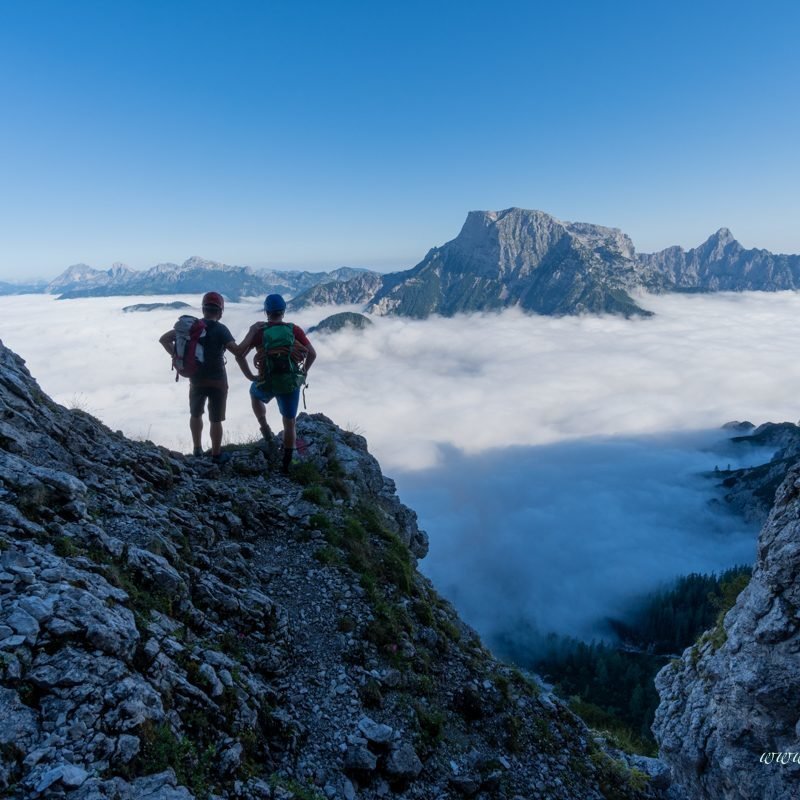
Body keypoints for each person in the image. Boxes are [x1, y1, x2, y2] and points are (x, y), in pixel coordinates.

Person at [235, 294, 316, 473]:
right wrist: (303, 372)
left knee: (254, 394)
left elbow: (239, 354)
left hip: (267, 381)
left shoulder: (259, 331)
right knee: (290, 423)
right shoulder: (293, 330)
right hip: (289, 382)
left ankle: (265, 429)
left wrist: (250, 376)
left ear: (266, 311)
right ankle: (288, 462)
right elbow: (312, 354)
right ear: (283, 311)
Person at [159, 291, 238, 465]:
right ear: (221, 311)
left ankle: (197, 450)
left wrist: (176, 356)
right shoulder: (221, 329)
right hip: (218, 381)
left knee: (196, 414)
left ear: (203, 309)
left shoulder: (192, 327)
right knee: (215, 419)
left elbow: (163, 339)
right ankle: (216, 456)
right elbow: (237, 351)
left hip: (196, 380)